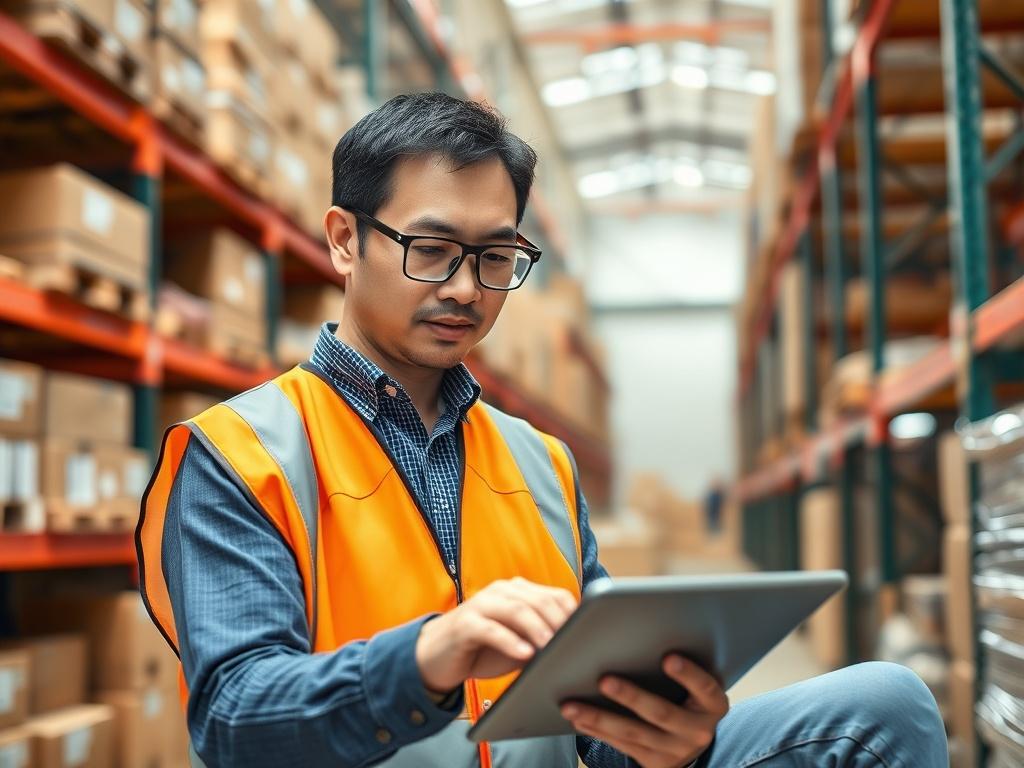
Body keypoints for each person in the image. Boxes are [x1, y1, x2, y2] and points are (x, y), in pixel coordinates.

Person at [137, 93, 949, 768]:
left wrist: (669, 737)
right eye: (431, 249)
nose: (464, 288)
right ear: (345, 240)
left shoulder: (540, 462)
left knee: (883, 705)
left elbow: (593, 719)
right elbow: (236, 719)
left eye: (496, 258)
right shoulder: (241, 456)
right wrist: (425, 659)